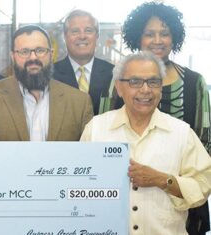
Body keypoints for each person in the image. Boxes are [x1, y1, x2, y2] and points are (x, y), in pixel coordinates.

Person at [101, 3, 211, 233]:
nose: (157, 40)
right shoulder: (119, 77)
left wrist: (168, 179)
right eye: (149, 34)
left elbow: (204, 141)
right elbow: (105, 133)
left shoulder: (193, 82)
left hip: (180, 197)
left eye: (165, 33)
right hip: (126, 195)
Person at [81, 52, 211, 235]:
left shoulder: (181, 132)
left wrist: (161, 180)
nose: (145, 90)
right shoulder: (96, 129)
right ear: (119, 87)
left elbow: (203, 184)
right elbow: (79, 185)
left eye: (153, 82)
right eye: (135, 82)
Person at [0, 25, 93, 141]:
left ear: (51, 54)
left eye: (40, 50)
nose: (33, 58)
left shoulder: (79, 103)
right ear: (13, 56)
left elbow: (87, 157)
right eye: (24, 51)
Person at [53, 9, 114, 115]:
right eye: (75, 31)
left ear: (97, 36)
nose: (82, 36)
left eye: (88, 30)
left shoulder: (113, 73)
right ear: (65, 36)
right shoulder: (50, 75)